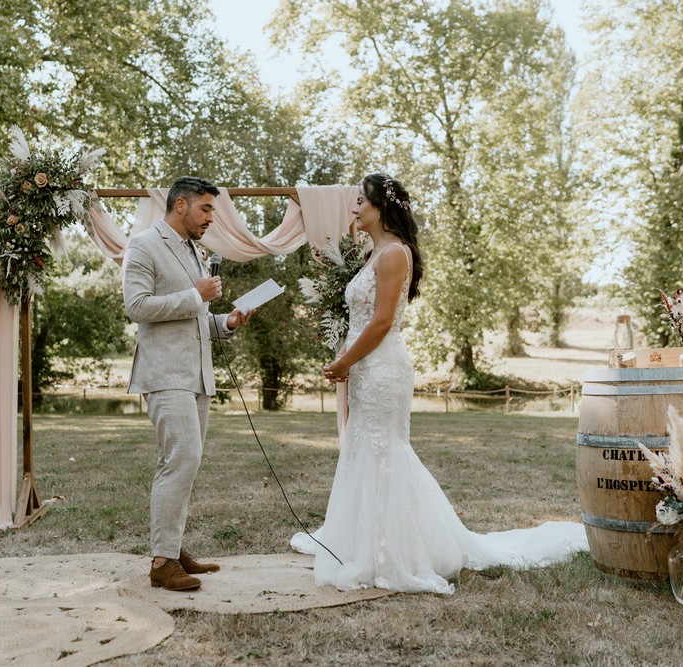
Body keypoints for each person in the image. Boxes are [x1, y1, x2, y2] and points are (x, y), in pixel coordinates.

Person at [290, 173, 587, 593]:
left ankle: (393, 551)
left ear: (380, 207)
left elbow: (381, 323)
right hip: (366, 368)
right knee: (364, 447)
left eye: (360, 201)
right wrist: (348, 362)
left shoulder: (394, 254)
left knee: (383, 450)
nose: (354, 209)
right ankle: (361, 542)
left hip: (381, 366)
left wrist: (344, 361)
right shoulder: (374, 254)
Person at [123, 176, 253, 592]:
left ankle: (172, 548)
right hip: (165, 374)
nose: (211, 218)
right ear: (181, 205)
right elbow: (137, 307)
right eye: (206, 209)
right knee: (181, 459)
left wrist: (226, 322)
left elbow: (195, 320)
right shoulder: (144, 245)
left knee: (185, 462)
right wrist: (197, 295)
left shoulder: (194, 252)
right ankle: (162, 562)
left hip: (197, 375)